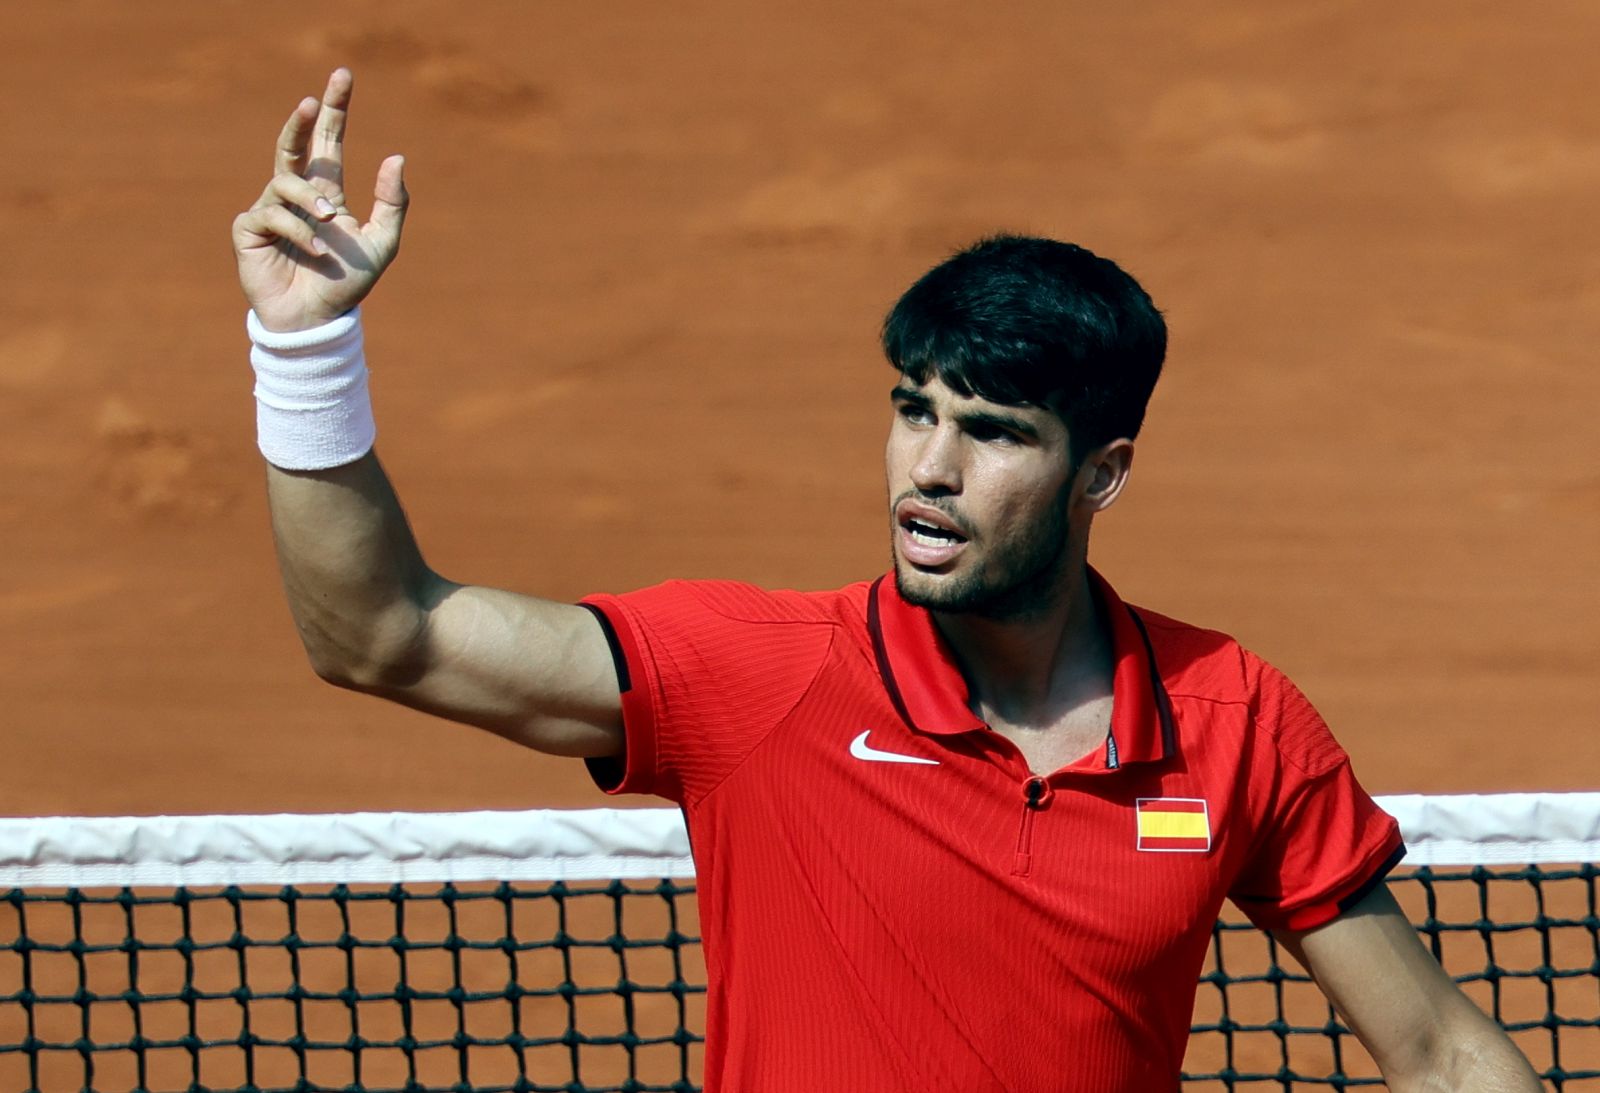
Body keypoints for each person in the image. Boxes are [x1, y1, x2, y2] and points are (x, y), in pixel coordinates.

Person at [232, 69, 1543, 1092]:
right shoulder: (756, 675)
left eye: (994, 433)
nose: (930, 466)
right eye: (914, 410)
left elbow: (1436, 1048)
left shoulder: (1233, 723)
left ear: (1105, 470)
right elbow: (386, 634)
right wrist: (305, 349)